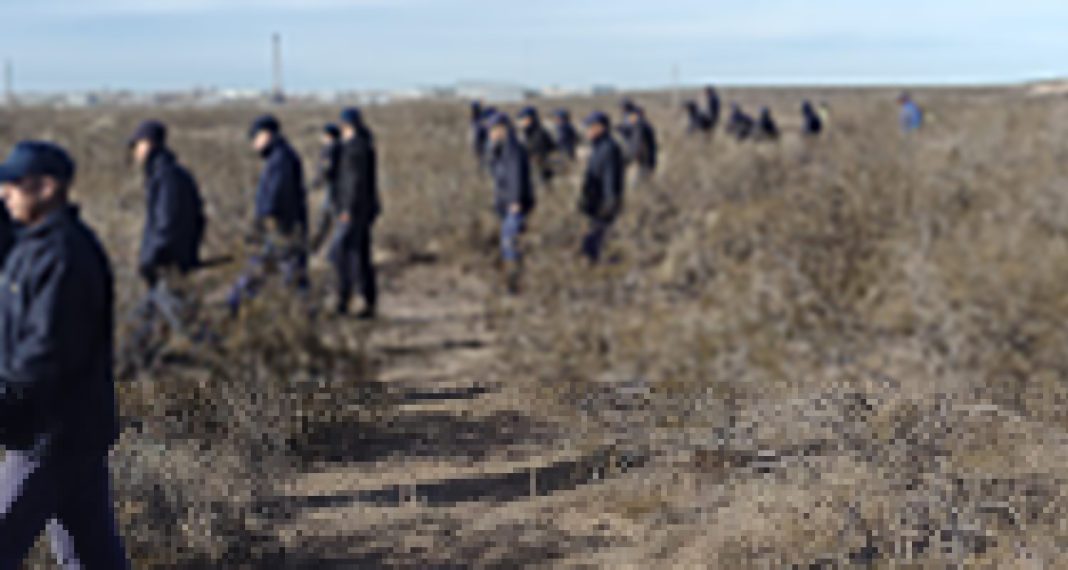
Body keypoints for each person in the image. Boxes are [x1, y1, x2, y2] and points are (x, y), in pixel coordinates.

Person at [0, 141, 130, 568]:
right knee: (92, 555)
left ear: (48, 188)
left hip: (50, 431)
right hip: (69, 429)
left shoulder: (65, 256)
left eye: (14, 184)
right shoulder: (31, 248)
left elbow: (46, 353)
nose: (5, 193)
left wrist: (6, 400)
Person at [121, 120, 207, 376]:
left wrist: (151, 259)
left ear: (148, 144)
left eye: (136, 145)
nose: (134, 152)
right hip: (167, 262)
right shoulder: (166, 175)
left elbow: (166, 225)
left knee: (185, 322)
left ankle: (224, 365)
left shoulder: (168, 177)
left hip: (166, 265)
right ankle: (129, 369)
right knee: (144, 321)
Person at [227, 115, 309, 316]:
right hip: (284, 228)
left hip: (282, 229)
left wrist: (264, 220)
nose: (254, 143)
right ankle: (302, 315)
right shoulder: (279, 157)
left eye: (256, 137)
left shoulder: (281, 159)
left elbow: (276, 194)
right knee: (290, 275)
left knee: (271, 272)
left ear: (267, 135)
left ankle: (235, 308)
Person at [330, 107, 381, 319]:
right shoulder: (363, 146)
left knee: (342, 254)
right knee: (359, 254)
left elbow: (354, 183)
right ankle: (364, 300)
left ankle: (347, 298)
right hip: (363, 210)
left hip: (353, 211)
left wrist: (347, 209)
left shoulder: (354, 150)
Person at [487, 113, 535, 293]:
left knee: (511, 244)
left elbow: (515, 176)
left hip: (513, 206)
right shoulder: (501, 148)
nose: (491, 134)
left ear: (502, 129)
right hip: (505, 204)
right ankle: (513, 284)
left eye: (494, 130)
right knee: (509, 243)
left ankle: (514, 286)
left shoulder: (512, 149)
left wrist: (515, 201)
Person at [578, 112, 624, 264]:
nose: (587, 131)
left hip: (603, 201)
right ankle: (592, 261)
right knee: (593, 235)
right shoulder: (598, 146)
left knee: (598, 235)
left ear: (600, 128)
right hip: (594, 199)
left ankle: (598, 265)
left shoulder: (609, 148)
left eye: (590, 127)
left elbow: (611, 176)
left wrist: (610, 201)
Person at [309, 123, 343, 253]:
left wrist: (315, 183)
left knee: (327, 218)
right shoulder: (343, 147)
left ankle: (316, 248)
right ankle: (318, 247)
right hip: (341, 190)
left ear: (328, 135)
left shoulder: (330, 149)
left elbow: (326, 169)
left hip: (333, 189)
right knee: (330, 219)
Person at [516, 107, 556, 186]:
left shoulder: (538, 133)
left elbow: (538, 154)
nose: (521, 121)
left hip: (540, 170)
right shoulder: (527, 132)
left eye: (523, 118)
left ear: (530, 119)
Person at [621, 102, 657, 177]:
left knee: (641, 181)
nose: (630, 118)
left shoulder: (642, 127)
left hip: (644, 160)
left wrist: (627, 160)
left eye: (632, 116)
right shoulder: (642, 125)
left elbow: (638, 146)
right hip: (643, 159)